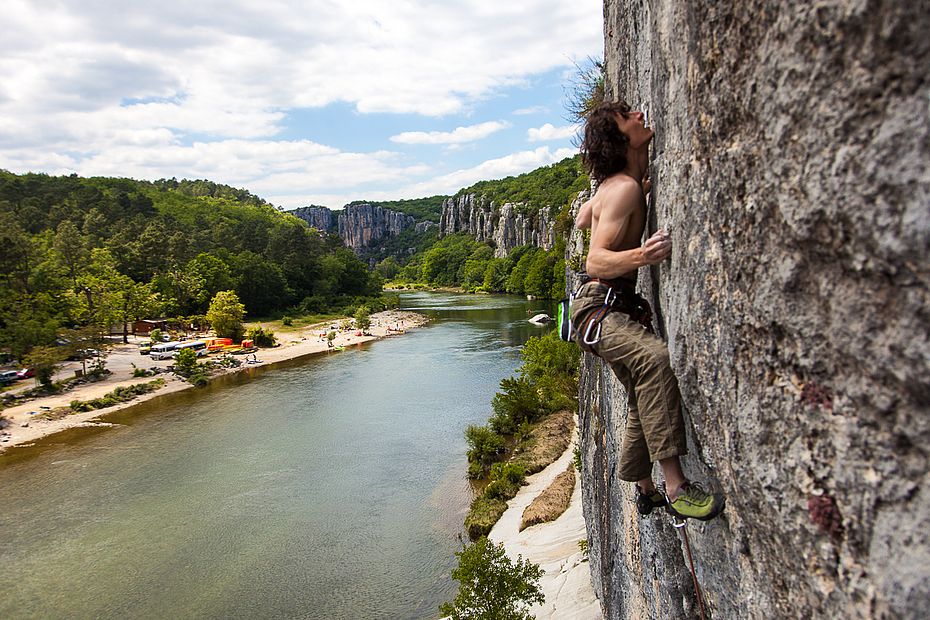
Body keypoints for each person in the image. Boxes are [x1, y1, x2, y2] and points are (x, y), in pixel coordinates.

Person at [572, 100, 725, 521]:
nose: (640, 114)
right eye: (628, 117)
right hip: (601, 308)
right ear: (620, 138)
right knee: (656, 361)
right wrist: (642, 253)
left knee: (643, 398)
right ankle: (675, 486)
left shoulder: (620, 185)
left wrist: (626, 190)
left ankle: (643, 487)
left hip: (599, 310)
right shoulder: (623, 188)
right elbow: (595, 261)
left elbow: (585, 218)